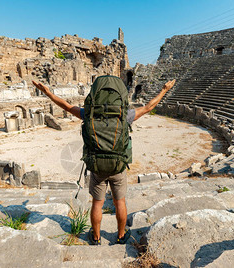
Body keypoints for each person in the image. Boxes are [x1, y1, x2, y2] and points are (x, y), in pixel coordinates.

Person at [33, 78, 176, 245]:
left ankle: (96, 237)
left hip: (97, 167)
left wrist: (48, 92)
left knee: (97, 203)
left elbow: (65, 105)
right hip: (118, 167)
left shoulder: (88, 113)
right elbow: (148, 107)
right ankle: (121, 236)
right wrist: (164, 89)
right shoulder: (124, 115)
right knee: (120, 202)